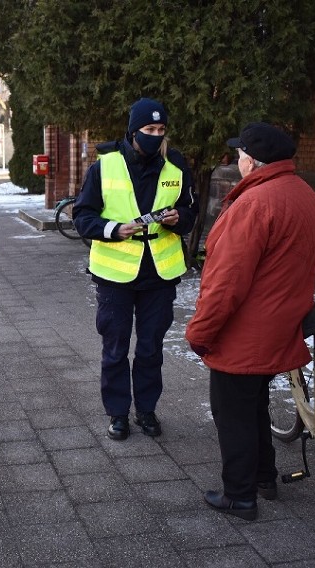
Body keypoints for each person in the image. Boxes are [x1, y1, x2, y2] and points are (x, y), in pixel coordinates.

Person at [185, 122, 315, 521]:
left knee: (232, 410)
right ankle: (264, 478)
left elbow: (225, 283)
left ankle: (240, 496)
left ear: (251, 160)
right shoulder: (305, 194)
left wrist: (199, 333)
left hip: (247, 330)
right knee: (253, 404)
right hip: (284, 321)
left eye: (239, 154)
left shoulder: (253, 204)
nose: (237, 160)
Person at [73, 97, 197, 441]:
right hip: (115, 276)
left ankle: (146, 410)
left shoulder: (176, 164)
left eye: (161, 130)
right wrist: (113, 229)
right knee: (115, 349)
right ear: (133, 131)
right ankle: (117, 414)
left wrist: (178, 219)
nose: (156, 136)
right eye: (149, 130)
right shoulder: (105, 166)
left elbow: (190, 210)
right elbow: (83, 217)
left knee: (150, 348)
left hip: (159, 273)